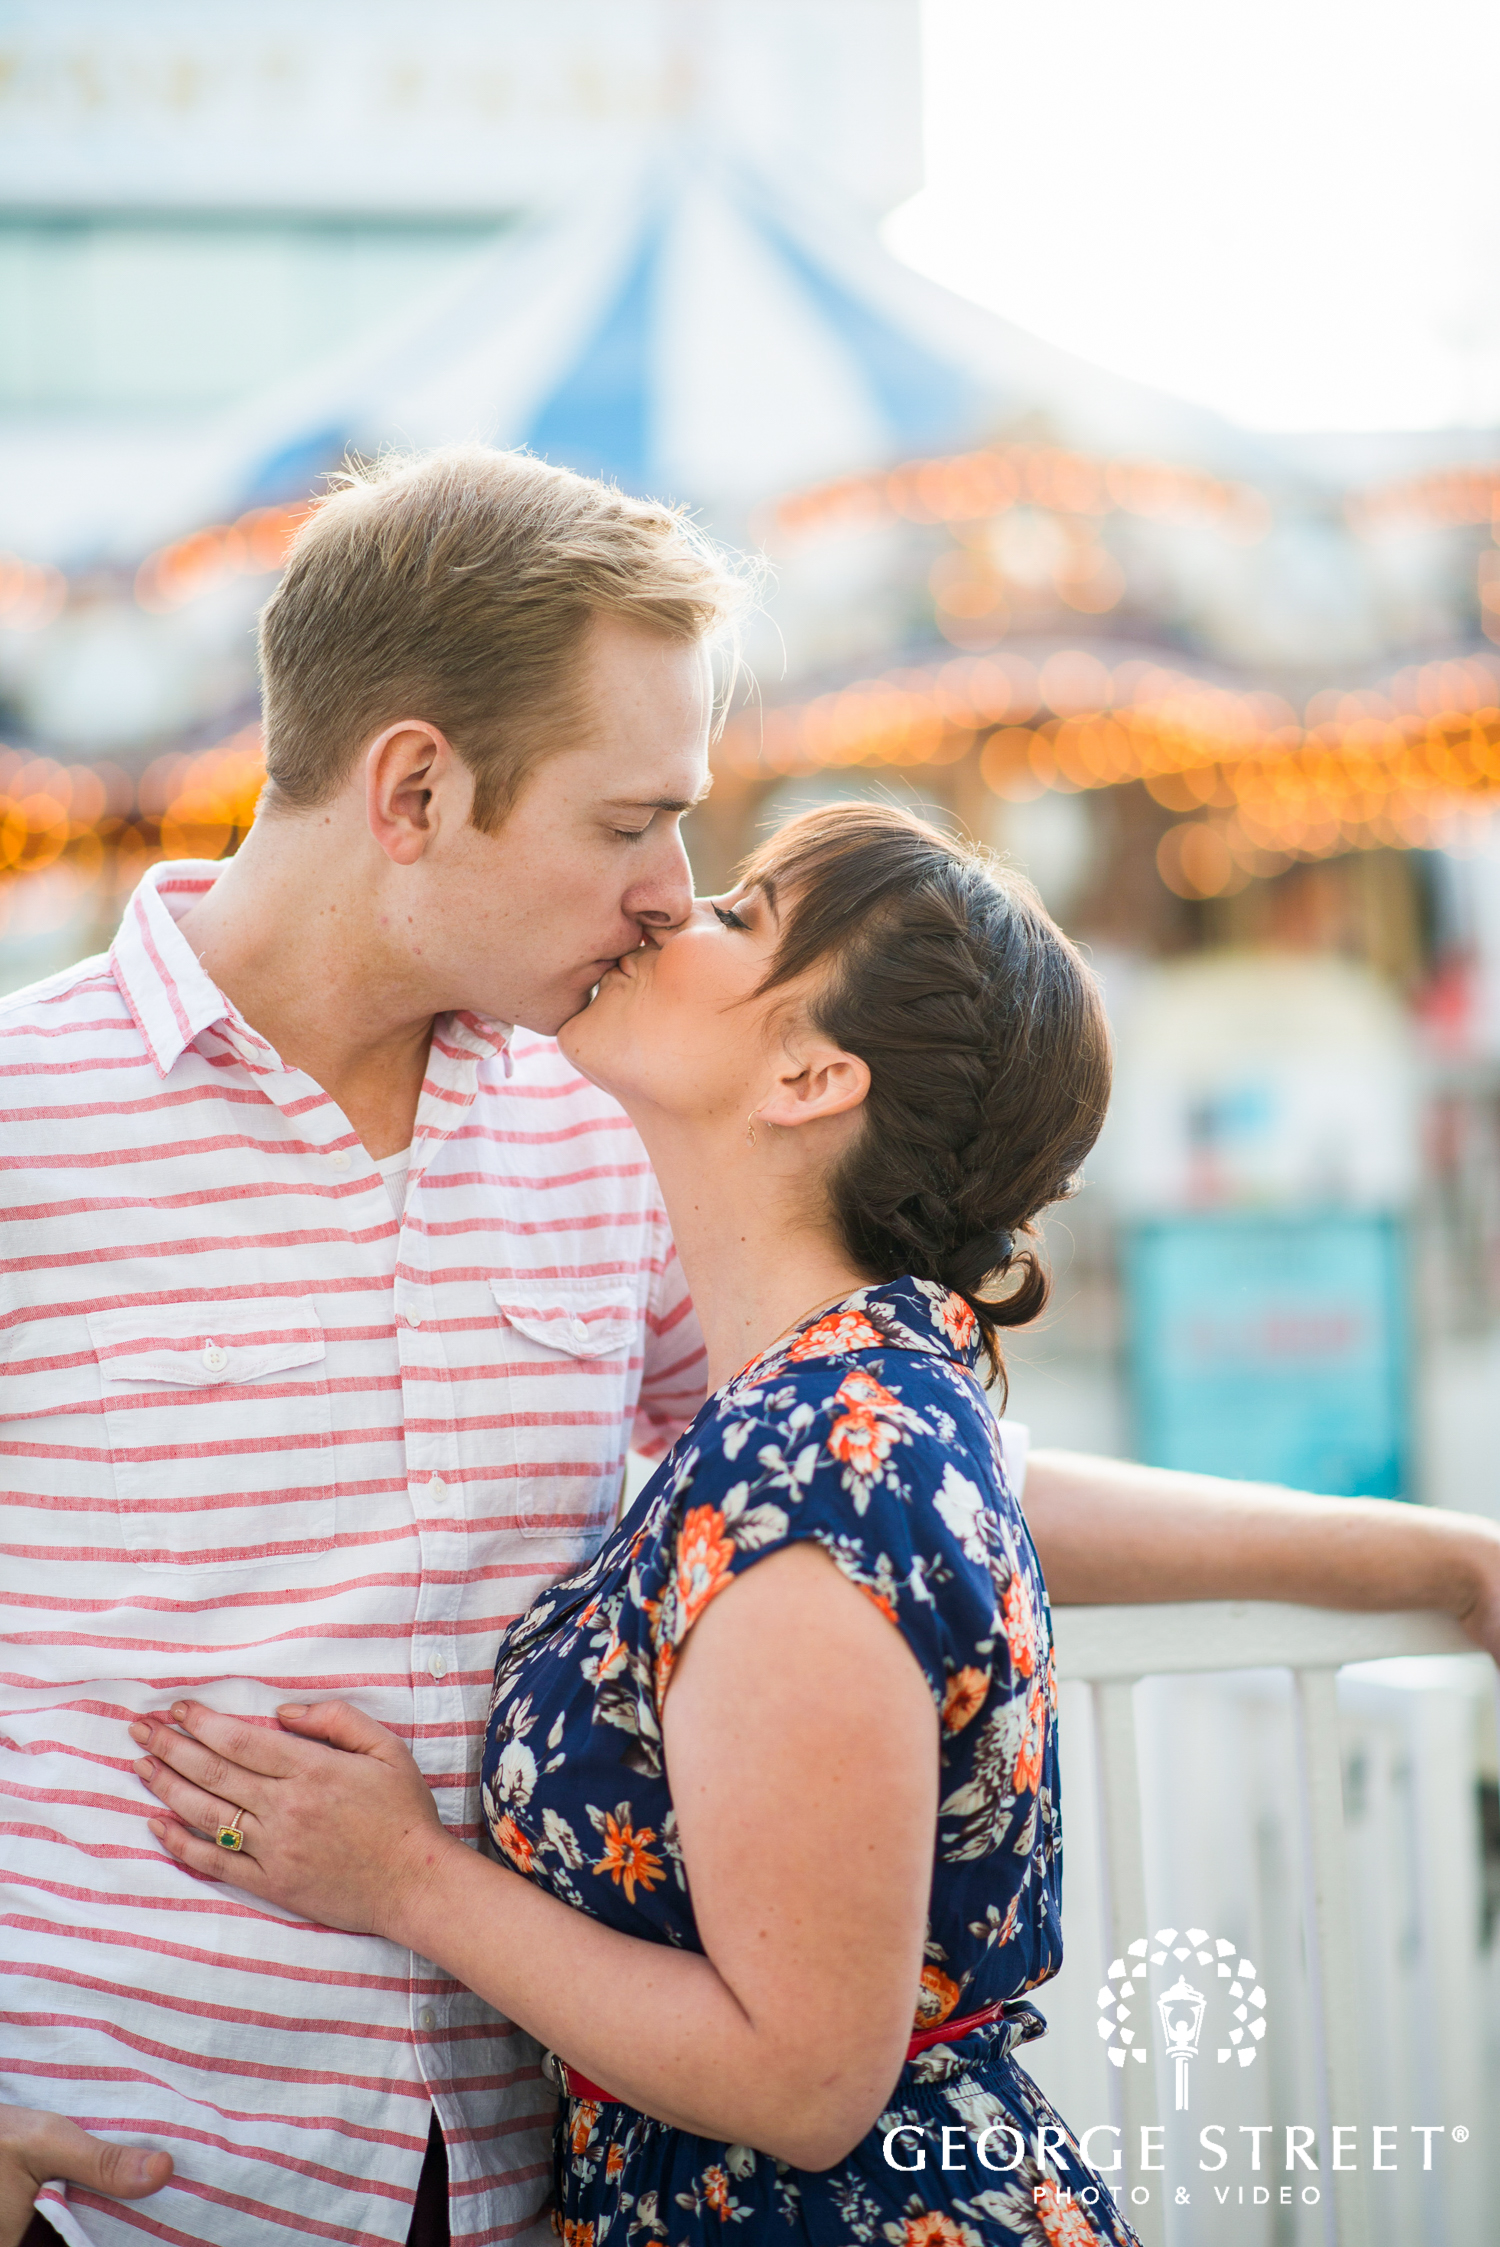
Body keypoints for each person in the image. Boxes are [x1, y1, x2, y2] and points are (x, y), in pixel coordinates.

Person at [6, 444, 1500, 2247]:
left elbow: (853, 1487)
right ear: (414, 790)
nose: (668, 890)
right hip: (141, 2192)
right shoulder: (27, 1119)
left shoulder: (605, 1121)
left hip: (543, 2189)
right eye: (630, 822)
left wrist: (1436, 1563)